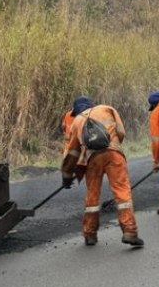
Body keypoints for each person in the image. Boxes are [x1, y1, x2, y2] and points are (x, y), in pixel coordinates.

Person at [60, 101, 143, 247]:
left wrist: (66, 176)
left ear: (78, 110)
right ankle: (130, 231)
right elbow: (121, 132)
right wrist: (114, 146)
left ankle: (90, 234)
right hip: (114, 155)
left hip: (93, 160)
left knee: (93, 195)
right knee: (122, 192)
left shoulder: (77, 121)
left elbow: (72, 153)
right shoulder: (107, 108)